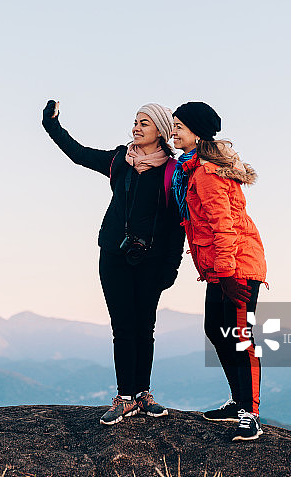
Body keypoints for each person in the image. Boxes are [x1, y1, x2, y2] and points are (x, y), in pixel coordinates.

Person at [41, 99, 185, 426]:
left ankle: (143, 394)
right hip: (113, 255)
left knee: (144, 326)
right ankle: (125, 397)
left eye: (144, 123)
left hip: (151, 260)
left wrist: (171, 267)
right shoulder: (120, 159)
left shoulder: (173, 171)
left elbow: (177, 224)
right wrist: (52, 124)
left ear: (161, 131)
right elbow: (79, 154)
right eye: (135, 121)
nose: (136, 127)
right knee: (122, 326)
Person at [170, 101, 267, 441]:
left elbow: (224, 227)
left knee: (240, 337)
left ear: (196, 132)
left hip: (237, 266)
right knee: (216, 328)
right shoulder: (194, 169)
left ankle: (250, 414)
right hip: (221, 268)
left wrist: (226, 274)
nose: (174, 132)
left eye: (179, 126)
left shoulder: (207, 174)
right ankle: (238, 401)